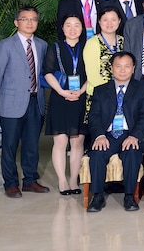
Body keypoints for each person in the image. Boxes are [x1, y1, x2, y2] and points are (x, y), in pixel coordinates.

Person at [0, 6, 49, 199]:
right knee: (10, 145)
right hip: (12, 103)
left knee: (32, 144)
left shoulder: (42, 45)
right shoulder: (5, 45)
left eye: (33, 19)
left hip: (36, 102)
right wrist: (6, 94)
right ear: (16, 22)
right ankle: (11, 183)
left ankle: (30, 180)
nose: (30, 23)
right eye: (25, 19)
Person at [86, 51, 144, 212]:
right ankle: (98, 196)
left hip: (130, 133)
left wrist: (134, 136)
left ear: (133, 68)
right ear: (111, 68)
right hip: (107, 134)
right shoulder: (101, 90)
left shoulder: (142, 89)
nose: (122, 70)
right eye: (118, 66)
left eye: (127, 66)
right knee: (97, 153)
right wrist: (100, 135)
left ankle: (129, 196)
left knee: (132, 152)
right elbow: (93, 116)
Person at [44, 15, 88, 196]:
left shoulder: (88, 47)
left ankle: (73, 180)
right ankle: (62, 180)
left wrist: (81, 91)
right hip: (60, 99)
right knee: (60, 141)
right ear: (62, 28)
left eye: (76, 25)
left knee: (77, 143)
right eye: (68, 25)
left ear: (82, 28)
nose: (72, 29)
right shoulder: (54, 48)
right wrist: (62, 92)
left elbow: (92, 74)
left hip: (81, 98)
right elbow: (47, 72)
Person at [83, 5, 125, 103]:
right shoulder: (92, 43)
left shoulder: (123, 41)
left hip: (122, 94)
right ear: (99, 21)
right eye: (105, 19)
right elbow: (92, 75)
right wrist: (111, 94)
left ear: (119, 21)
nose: (109, 23)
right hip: (99, 95)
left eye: (113, 19)